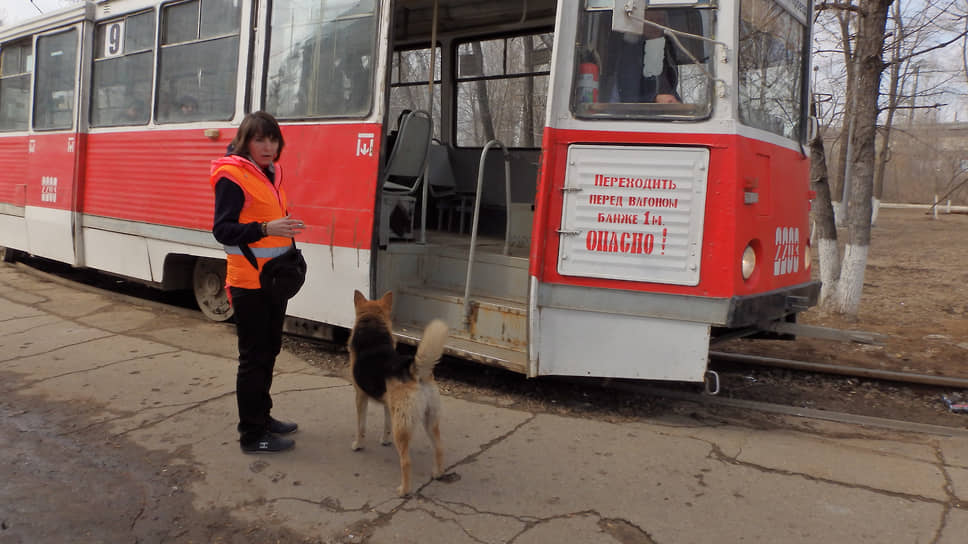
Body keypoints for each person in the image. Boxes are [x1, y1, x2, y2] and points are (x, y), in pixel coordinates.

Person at [210, 111, 306, 454]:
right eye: (259, 139)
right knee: (253, 358)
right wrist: (266, 229)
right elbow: (222, 229)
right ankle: (251, 434)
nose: (267, 146)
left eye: (272, 139)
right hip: (248, 283)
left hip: (274, 280)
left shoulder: (269, 173)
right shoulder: (232, 176)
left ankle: (263, 417)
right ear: (245, 141)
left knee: (270, 350)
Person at [605, 10, 681, 104]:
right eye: (650, 20)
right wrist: (654, 99)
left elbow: (667, 89)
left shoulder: (666, 50)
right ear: (641, 23)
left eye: (659, 20)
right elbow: (629, 94)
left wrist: (677, 102)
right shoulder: (630, 52)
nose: (655, 25)